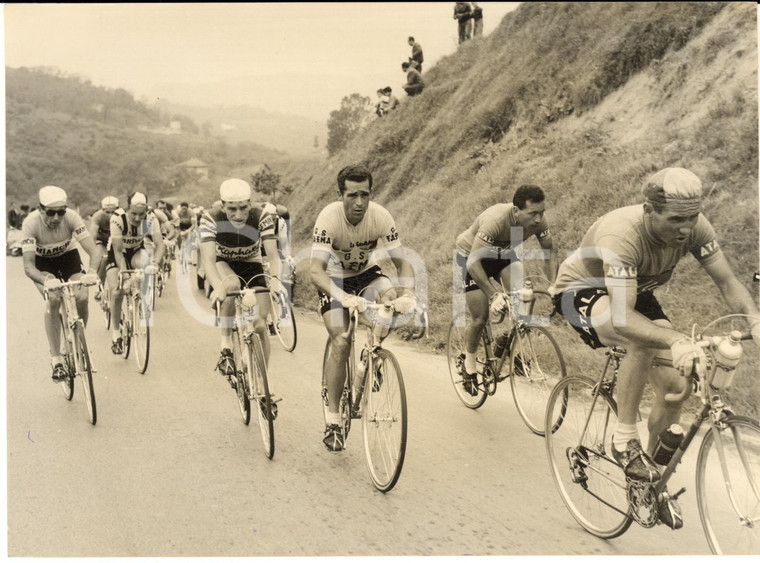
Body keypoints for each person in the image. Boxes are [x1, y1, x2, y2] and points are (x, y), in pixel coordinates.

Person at [551, 167, 760, 529]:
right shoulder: (623, 235)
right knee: (641, 338)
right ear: (649, 210)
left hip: (632, 291)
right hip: (579, 292)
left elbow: (727, 281)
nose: (686, 228)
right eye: (676, 219)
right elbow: (621, 319)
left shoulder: (695, 227)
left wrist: (754, 320)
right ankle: (624, 440)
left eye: (692, 218)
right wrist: (676, 339)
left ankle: (646, 480)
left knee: (678, 387)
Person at [310, 164, 418, 452]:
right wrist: (342, 297)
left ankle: (372, 353)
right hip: (333, 279)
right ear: (340, 194)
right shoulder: (328, 219)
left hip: (367, 273)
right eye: (352, 195)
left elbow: (401, 261)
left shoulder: (380, 216)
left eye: (365, 195)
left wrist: (408, 293)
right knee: (341, 337)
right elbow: (315, 270)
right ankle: (333, 421)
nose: (359, 203)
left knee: (390, 298)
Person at [455, 185, 556, 395]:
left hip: (503, 255)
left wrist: (554, 285)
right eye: (533, 214)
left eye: (541, 213)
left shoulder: (538, 222)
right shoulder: (496, 220)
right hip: (472, 258)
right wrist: (493, 295)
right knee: (480, 318)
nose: (538, 219)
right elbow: (474, 262)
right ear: (516, 211)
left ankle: (507, 343)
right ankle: (469, 365)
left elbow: (548, 251)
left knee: (522, 303)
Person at [200, 179, 283, 392]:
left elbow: (273, 254)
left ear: (250, 203)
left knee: (260, 325)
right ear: (222, 205)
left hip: (251, 263)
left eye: (243, 208)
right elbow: (208, 260)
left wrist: (274, 280)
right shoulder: (210, 218)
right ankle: (226, 346)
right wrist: (217, 287)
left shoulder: (261, 216)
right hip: (223, 263)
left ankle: (263, 383)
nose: (238, 214)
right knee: (231, 285)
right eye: (232, 209)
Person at [20, 186, 101, 381]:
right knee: (54, 298)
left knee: (82, 296)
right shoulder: (30, 224)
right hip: (43, 263)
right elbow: (29, 267)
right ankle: (56, 359)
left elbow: (94, 251)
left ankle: (79, 343)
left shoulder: (72, 217)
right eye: (50, 212)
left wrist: (91, 273)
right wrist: (46, 281)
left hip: (67, 258)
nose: (56, 218)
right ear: (40, 210)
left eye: (61, 212)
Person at [106, 191, 164, 354]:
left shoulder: (151, 218)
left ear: (146, 209)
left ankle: (138, 297)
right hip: (118, 253)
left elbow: (160, 245)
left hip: (136, 250)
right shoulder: (118, 218)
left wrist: (155, 263)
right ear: (127, 208)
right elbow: (118, 252)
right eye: (134, 214)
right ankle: (116, 334)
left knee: (144, 265)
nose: (138, 219)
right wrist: (124, 275)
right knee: (117, 291)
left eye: (141, 214)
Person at [88, 196, 119, 294]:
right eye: (107, 212)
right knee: (104, 258)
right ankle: (100, 286)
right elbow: (92, 237)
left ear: (118, 210)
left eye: (113, 212)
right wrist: (93, 256)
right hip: (101, 240)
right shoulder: (98, 216)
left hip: (115, 240)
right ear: (102, 210)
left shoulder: (122, 216)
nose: (110, 215)